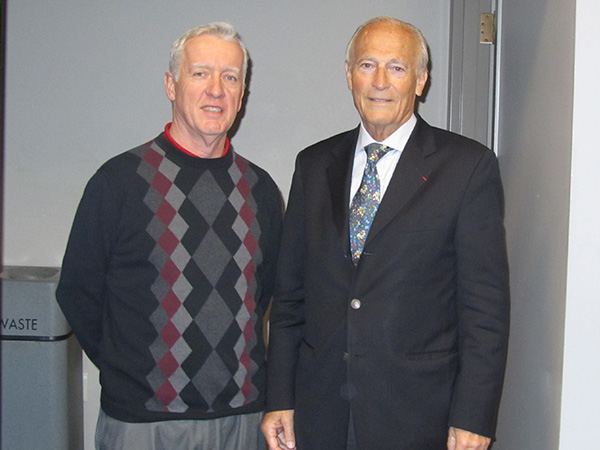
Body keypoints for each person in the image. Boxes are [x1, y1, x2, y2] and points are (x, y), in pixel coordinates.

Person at [261, 16, 509, 450]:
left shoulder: (467, 168)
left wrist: (474, 416)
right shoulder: (314, 165)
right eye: (367, 65)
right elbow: (290, 299)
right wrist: (279, 396)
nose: (379, 81)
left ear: (421, 80)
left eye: (396, 67)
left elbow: (484, 311)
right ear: (348, 74)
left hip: (418, 416)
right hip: (320, 413)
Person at [56, 22, 282, 450]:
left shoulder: (262, 190)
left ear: (242, 94)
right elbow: (77, 293)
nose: (216, 89)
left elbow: (267, 294)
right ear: (171, 85)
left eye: (230, 77)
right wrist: (135, 376)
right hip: (143, 426)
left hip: (243, 422)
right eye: (200, 73)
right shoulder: (118, 182)